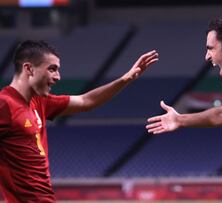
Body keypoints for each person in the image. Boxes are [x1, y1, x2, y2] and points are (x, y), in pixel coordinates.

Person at [0, 40, 158, 202]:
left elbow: (85, 101)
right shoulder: (4, 105)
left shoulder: (39, 102)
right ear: (28, 68)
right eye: (52, 69)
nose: (57, 77)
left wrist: (126, 79)